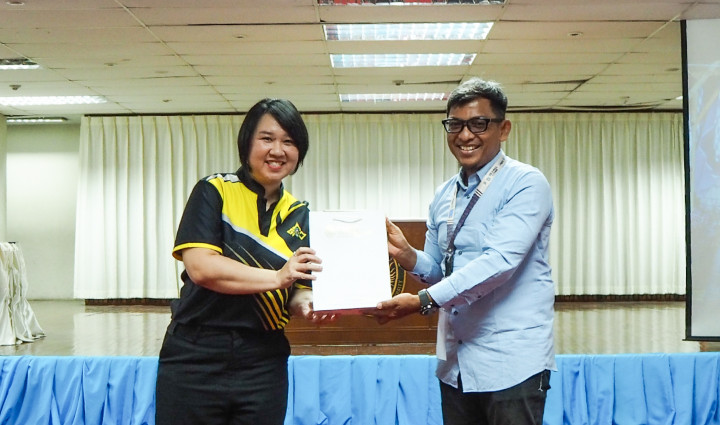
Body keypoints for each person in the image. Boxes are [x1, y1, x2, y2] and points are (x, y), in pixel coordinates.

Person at [372, 78, 556, 425]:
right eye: (455, 124)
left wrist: (423, 301)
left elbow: (499, 263)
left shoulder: (526, 184)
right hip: (456, 362)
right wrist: (408, 254)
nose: (465, 135)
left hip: (511, 362)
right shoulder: (445, 194)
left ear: (504, 129)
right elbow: (441, 271)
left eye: (478, 124)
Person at [155, 98, 328, 425]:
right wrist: (277, 277)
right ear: (247, 142)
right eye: (267, 138)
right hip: (196, 355)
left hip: (264, 360)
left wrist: (309, 307)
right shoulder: (214, 190)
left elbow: (299, 288)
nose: (278, 150)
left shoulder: (300, 213)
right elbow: (202, 268)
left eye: (289, 142)